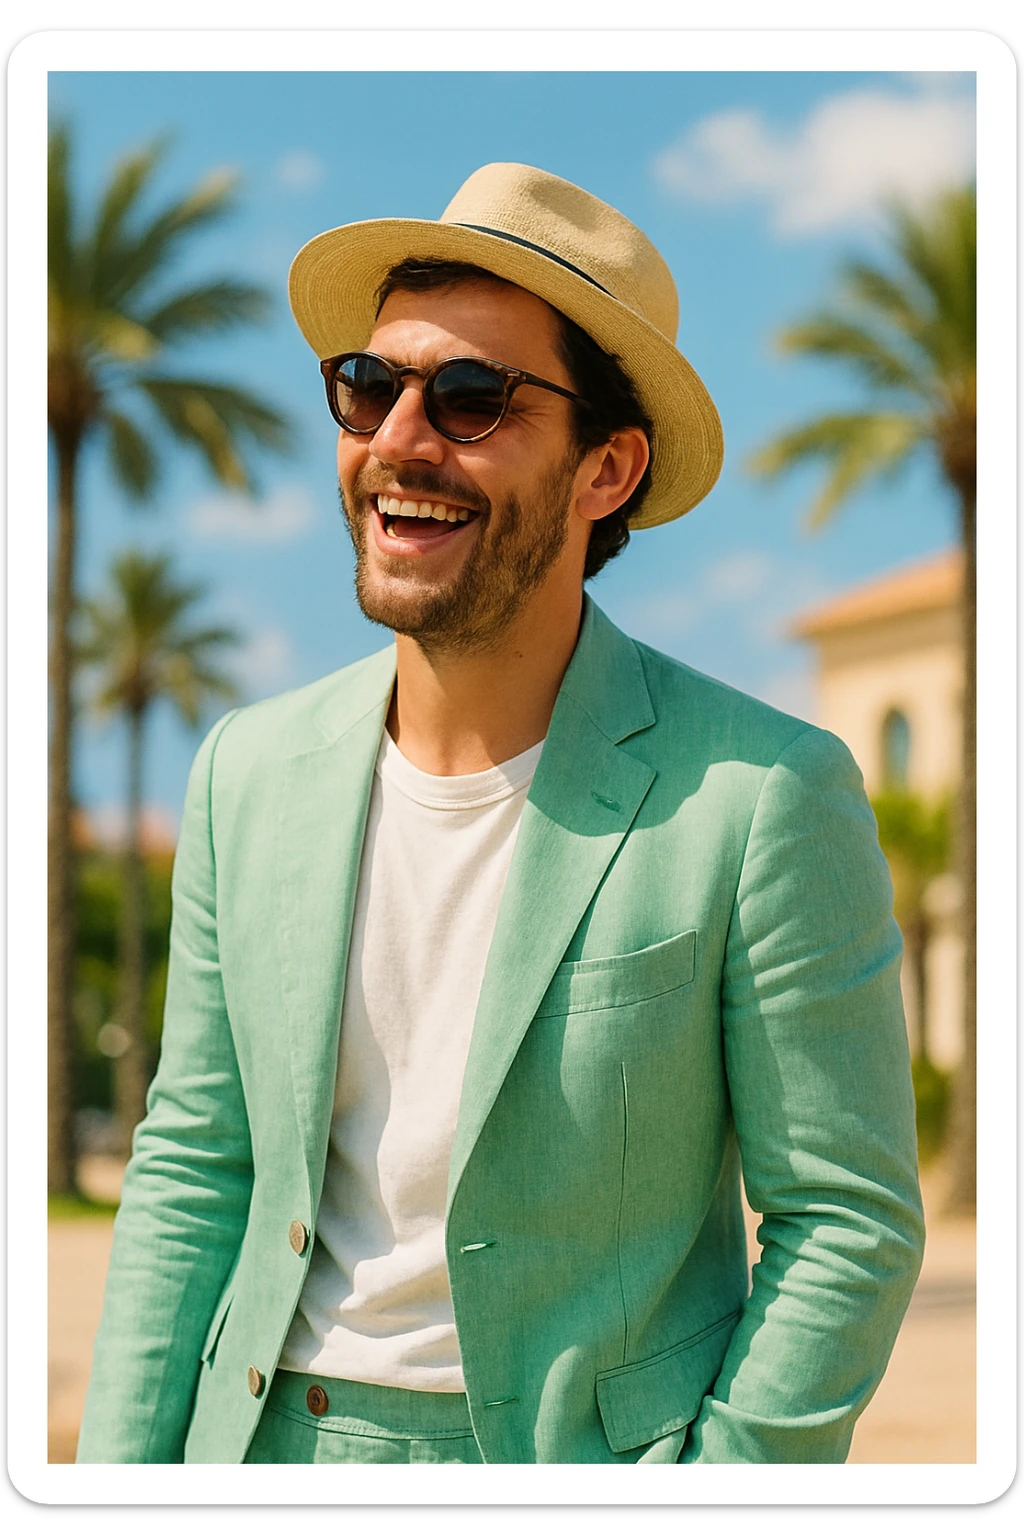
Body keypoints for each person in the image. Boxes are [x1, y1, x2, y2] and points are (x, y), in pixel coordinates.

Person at [77, 163, 925, 1466]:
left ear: (607, 469)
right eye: (370, 385)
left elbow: (847, 1221)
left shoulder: (761, 796)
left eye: (472, 397)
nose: (399, 439)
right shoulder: (245, 772)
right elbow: (196, 1167)